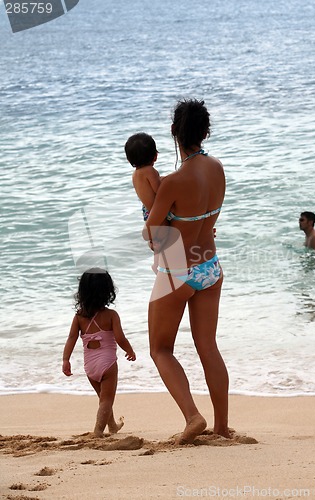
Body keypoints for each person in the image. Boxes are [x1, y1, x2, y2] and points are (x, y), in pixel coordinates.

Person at [144, 99, 230, 444]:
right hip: (210, 267)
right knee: (208, 345)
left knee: (160, 349)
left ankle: (193, 417)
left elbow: (153, 235)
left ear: (173, 132)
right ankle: (222, 427)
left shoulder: (174, 181)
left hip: (179, 272)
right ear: (205, 132)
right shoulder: (218, 168)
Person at [62, 268, 136, 437]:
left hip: (90, 366)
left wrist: (65, 359)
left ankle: (113, 427)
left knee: (103, 399)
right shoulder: (111, 315)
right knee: (107, 400)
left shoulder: (79, 317)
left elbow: (71, 339)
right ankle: (98, 432)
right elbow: (120, 338)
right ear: (108, 291)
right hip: (107, 364)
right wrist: (130, 350)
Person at [125, 132, 161, 272]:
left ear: (129, 160)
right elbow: (160, 192)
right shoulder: (151, 171)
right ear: (155, 156)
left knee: (156, 240)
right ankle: (158, 264)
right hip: (156, 211)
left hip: (147, 211)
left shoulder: (135, 175)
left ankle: (156, 263)